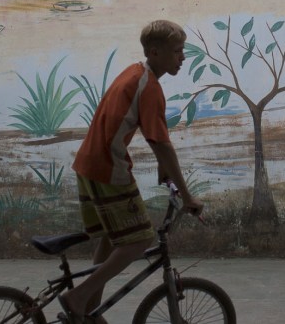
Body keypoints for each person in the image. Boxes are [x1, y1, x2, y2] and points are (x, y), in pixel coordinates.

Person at [59, 19, 203, 324]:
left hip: (88, 163)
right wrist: (187, 195)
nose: (183, 57)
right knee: (139, 240)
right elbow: (160, 143)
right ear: (155, 52)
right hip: (107, 167)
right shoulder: (149, 87)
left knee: (114, 238)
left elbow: (156, 137)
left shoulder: (134, 72)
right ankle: (79, 297)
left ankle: (89, 311)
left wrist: (164, 170)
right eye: (177, 51)